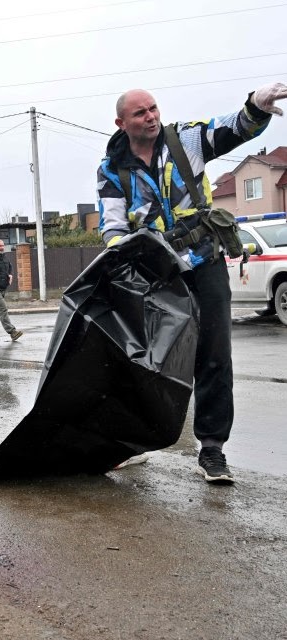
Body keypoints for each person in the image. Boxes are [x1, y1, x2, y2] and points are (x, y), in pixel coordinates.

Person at [96, 83, 287, 484]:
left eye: (153, 108)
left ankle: (212, 449)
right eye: (140, 113)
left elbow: (233, 128)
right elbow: (112, 227)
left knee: (215, 354)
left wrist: (255, 106)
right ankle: (131, 443)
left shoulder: (185, 140)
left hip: (205, 261)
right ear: (121, 122)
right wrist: (126, 262)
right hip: (157, 273)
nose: (150, 116)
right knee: (144, 359)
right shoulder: (112, 168)